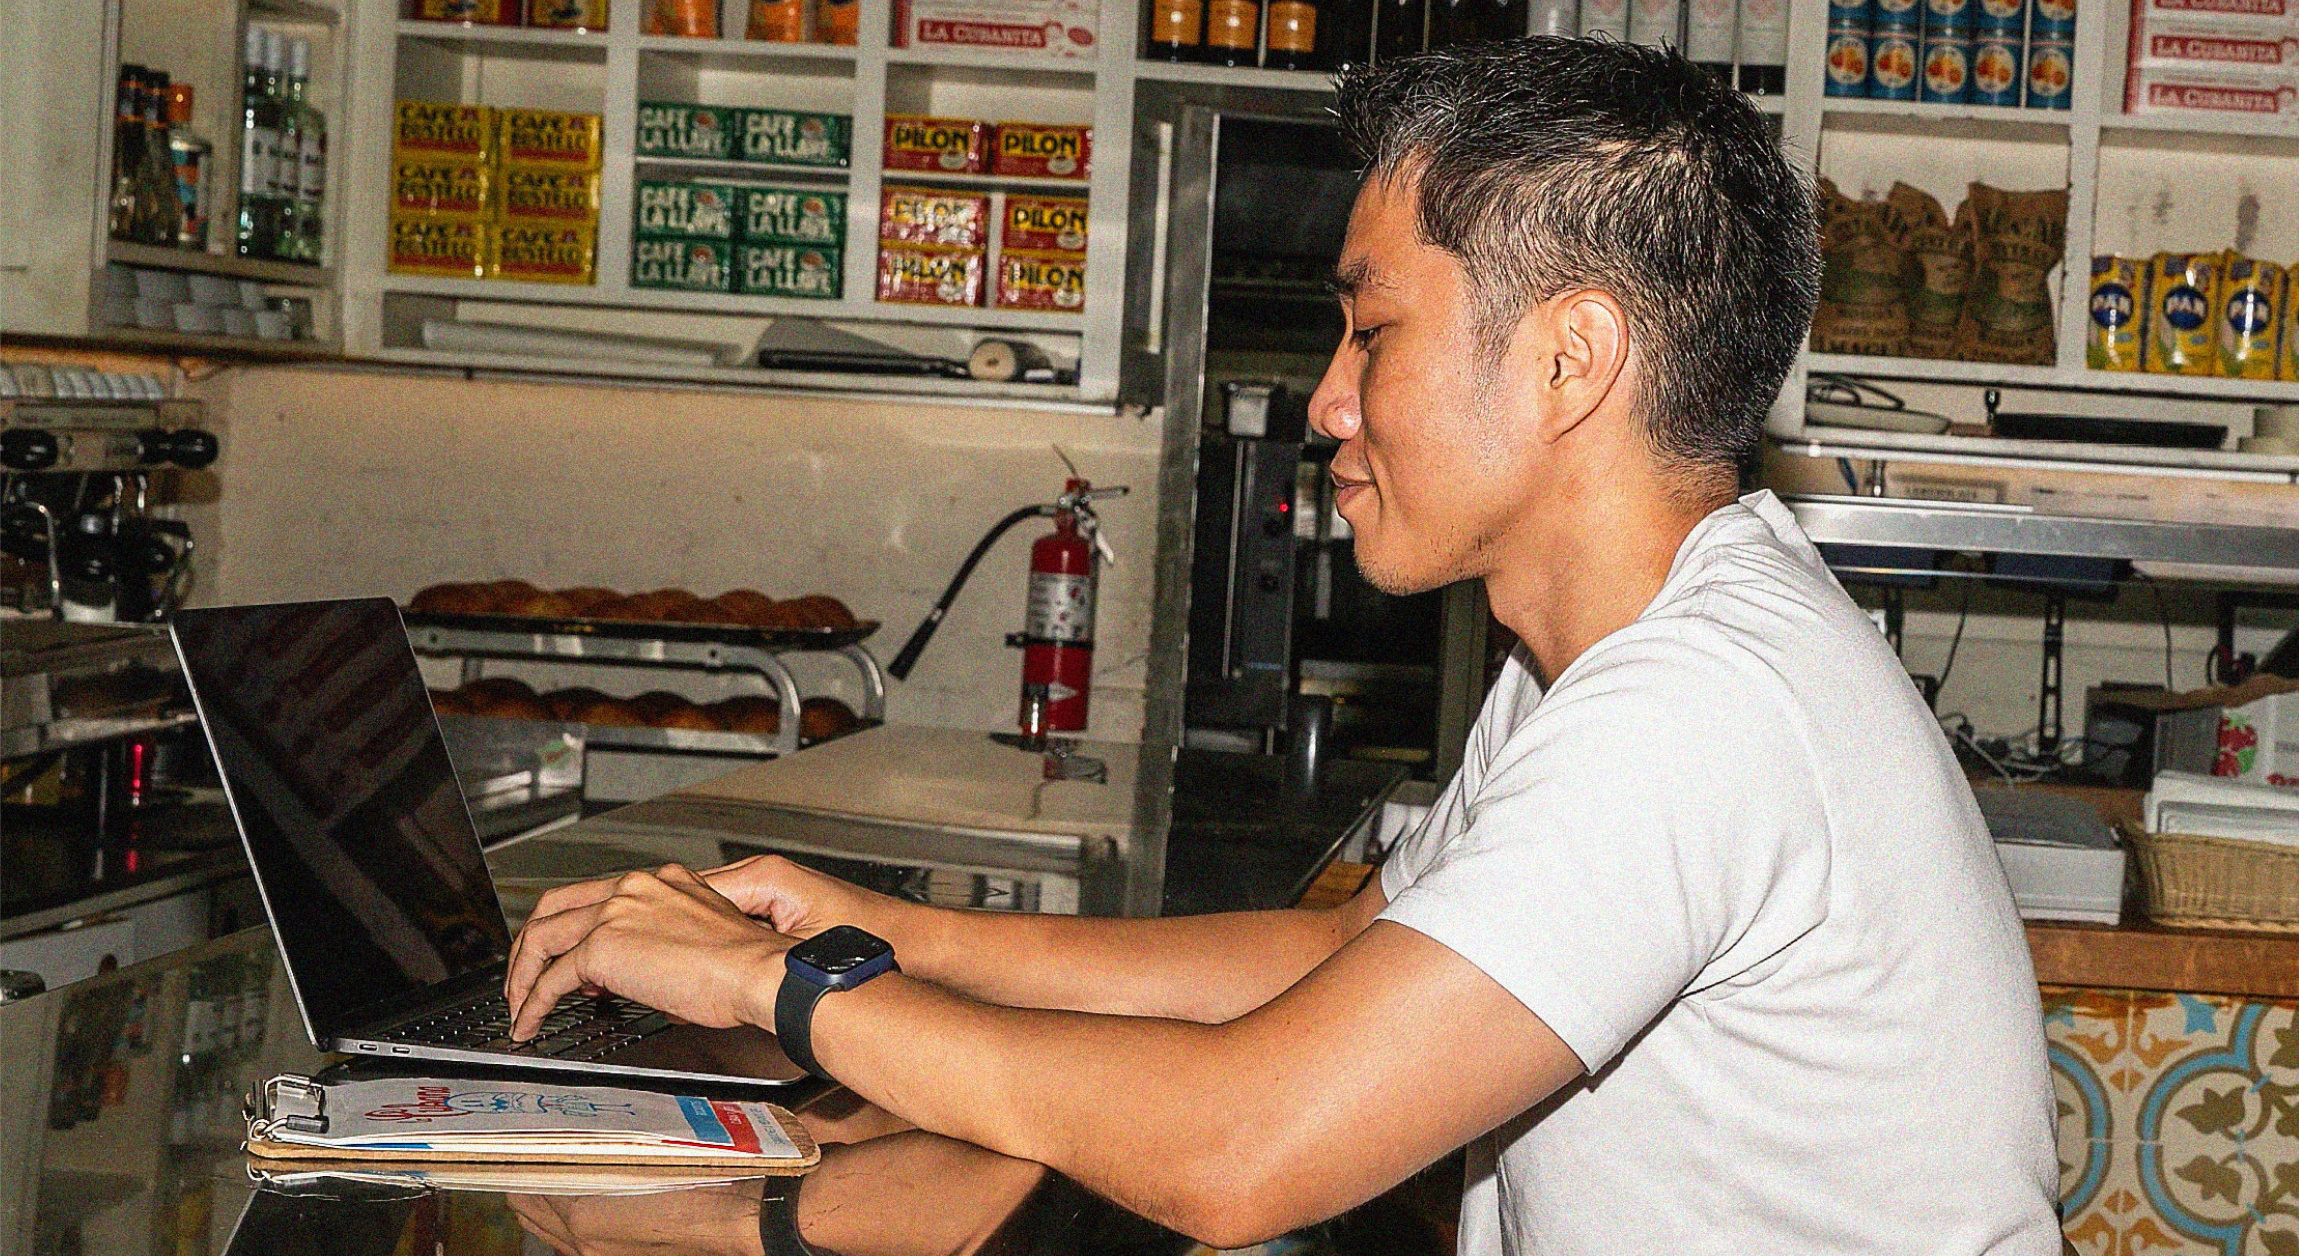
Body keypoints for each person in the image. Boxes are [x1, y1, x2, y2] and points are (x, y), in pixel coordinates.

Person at [504, 37, 2060, 1254]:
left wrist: (774, 985)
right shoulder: (1618, 654)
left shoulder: (1698, 706)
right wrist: (892, 938)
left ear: (1569, 359)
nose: (1327, 399)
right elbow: (1345, 965)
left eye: (1370, 331)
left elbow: (1242, 1152)